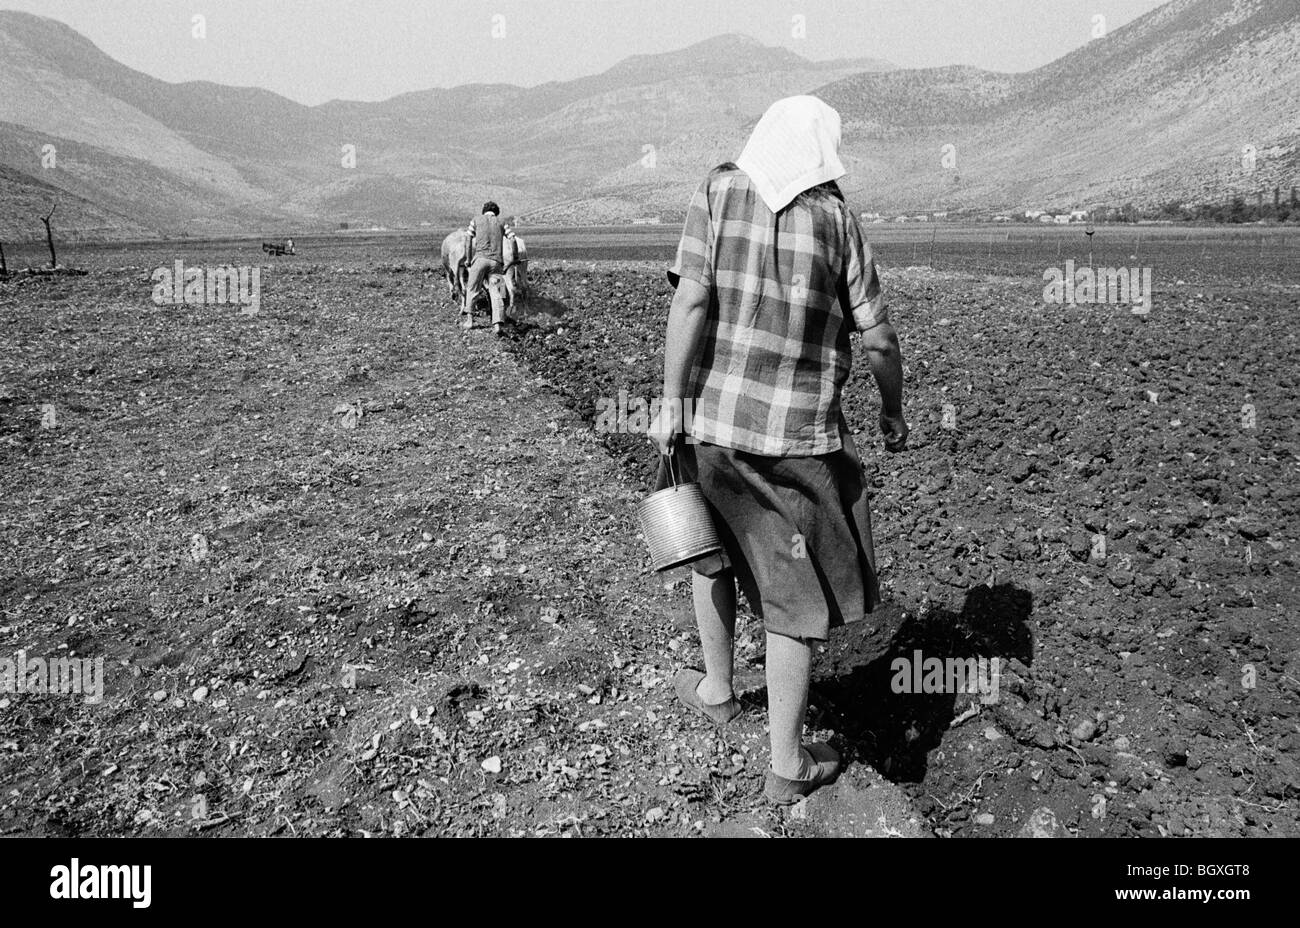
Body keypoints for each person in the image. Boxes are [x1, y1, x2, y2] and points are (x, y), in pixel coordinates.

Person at [647, 95, 908, 805]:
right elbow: (878, 338)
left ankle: (717, 689)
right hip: (798, 441)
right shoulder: (839, 221)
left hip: (715, 427)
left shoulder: (717, 189)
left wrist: (671, 404)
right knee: (795, 599)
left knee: (715, 549)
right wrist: (892, 410)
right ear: (824, 153)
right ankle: (788, 765)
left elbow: (690, 302)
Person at [462, 201, 506, 329]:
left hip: (480, 259)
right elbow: (512, 239)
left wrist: (469, 259)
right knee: (498, 292)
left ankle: (470, 321)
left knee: (472, 288)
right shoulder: (501, 221)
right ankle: (498, 324)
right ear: (496, 212)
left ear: (484, 211)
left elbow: (468, 239)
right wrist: (514, 257)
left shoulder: (476, 220)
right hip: (497, 262)